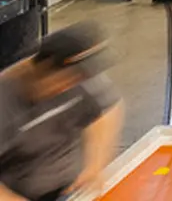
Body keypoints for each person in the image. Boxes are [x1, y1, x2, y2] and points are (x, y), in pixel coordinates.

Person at [0, 25, 122, 201]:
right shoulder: (5, 99)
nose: (74, 84)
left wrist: (94, 166)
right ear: (46, 67)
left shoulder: (80, 79)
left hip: (63, 190)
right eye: (70, 77)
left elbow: (106, 109)